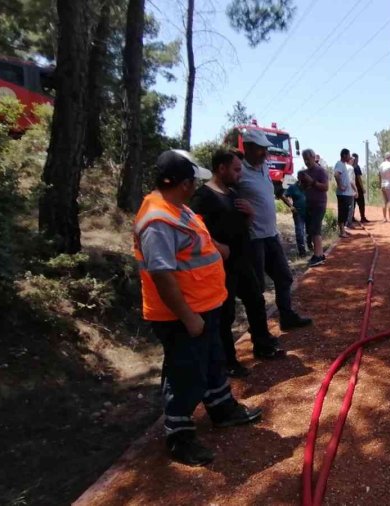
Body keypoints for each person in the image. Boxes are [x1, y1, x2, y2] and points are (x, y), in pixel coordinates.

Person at [134, 149, 262, 466]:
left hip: (206, 306)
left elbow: (199, 242)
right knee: (185, 373)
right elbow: (162, 275)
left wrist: (220, 249)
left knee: (213, 361)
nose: (196, 187)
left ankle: (222, 409)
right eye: (193, 181)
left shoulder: (179, 209)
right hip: (182, 316)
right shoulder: (157, 220)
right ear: (184, 183)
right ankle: (179, 435)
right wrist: (189, 318)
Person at [190, 149, 285, 378]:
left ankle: (263, 344)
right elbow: (195, 232)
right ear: (221, 168)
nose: (239, 174)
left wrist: (250, 215)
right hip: (220, 266)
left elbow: (242, 225)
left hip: (242, 260)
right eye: (235, 169)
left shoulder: (232, 194)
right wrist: (217, 247)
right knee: (226, 314)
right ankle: (229, 361)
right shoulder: (203, 198)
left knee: (256, 300)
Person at [235, 128, 312, 331]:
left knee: (284, 277)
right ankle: (259, 332)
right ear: (248, 148)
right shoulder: (239, 172)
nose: (265, 153)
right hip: (253, 238)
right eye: (260, 149)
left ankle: (286, 317)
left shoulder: (264, 167)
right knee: (256, 288)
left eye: (266, 149)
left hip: (271, 234)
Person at [298, 148, 328, 268]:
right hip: (309, 204)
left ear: (313, 157)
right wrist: (301, 181)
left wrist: (312, 182)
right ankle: (319, 254)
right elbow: (303, 189)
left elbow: (325, 187)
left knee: (316, 229)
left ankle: (318, 256)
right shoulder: (305, 172)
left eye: (308, 159)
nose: (306, 162)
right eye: (304, 159)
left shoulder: (320, 171)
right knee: (312, 230)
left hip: (319, 204)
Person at [283, 174, 308, 256]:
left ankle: (311, 247)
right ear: (299, 179)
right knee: (300, 232)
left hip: (309, 212)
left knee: (310, 231)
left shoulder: (308, 186)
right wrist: (291, 206)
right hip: (298, 213)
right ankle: (302, 252)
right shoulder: (293, 187)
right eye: (303, 181)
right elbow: (284, 196)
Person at [333, 148, 356, 237]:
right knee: (342, 212)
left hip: (346, 194)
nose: (350, 157)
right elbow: (336, 174)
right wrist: (340, 185)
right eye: (348, 155)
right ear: (344, 155)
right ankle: (342, 232)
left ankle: (343, 230)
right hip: (343, 194)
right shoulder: (339, 164)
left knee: (345, 213)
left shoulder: (343, 165)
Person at [352, 153, 369, 223]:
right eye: (357, 159)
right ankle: (362, 217)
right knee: (361, 203)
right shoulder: (356, 167)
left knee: (352, 204)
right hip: (358, 188)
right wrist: (362, 188)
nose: (357, 160)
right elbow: (359, 178)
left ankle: (352, 218)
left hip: (351, 188)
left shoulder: (349, 166)